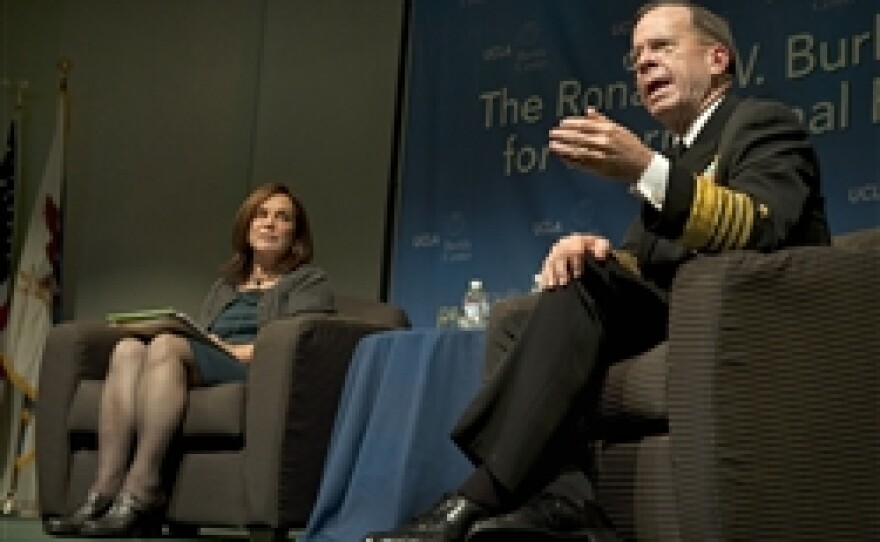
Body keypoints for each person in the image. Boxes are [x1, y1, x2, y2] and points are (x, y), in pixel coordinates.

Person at [366, 1, 829, 541]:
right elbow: (646, 264)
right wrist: (596, 251)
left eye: (661, 48)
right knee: (529, 309)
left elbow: (760, 227)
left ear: (718, 58)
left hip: (749, 313)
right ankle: (564, 497)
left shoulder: (761, 123)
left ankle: (478, 496)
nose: (643, 66)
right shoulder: (674, 157)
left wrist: (643, 169)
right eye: (635, 59)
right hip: (682, 310)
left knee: (583, 289)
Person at [43, 182, 334, 538]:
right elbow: (205, 332)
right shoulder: (226, 285)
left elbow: (294, 346)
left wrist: (223, 349)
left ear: (296, 234)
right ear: (246, 227)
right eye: (261, 215)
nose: (269, 224)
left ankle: (144, 486)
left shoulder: (309, 282)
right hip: (212, 360)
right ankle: (104, 489)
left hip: (254, 370)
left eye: (282, 217)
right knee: (128, 350)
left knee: (166, 346)